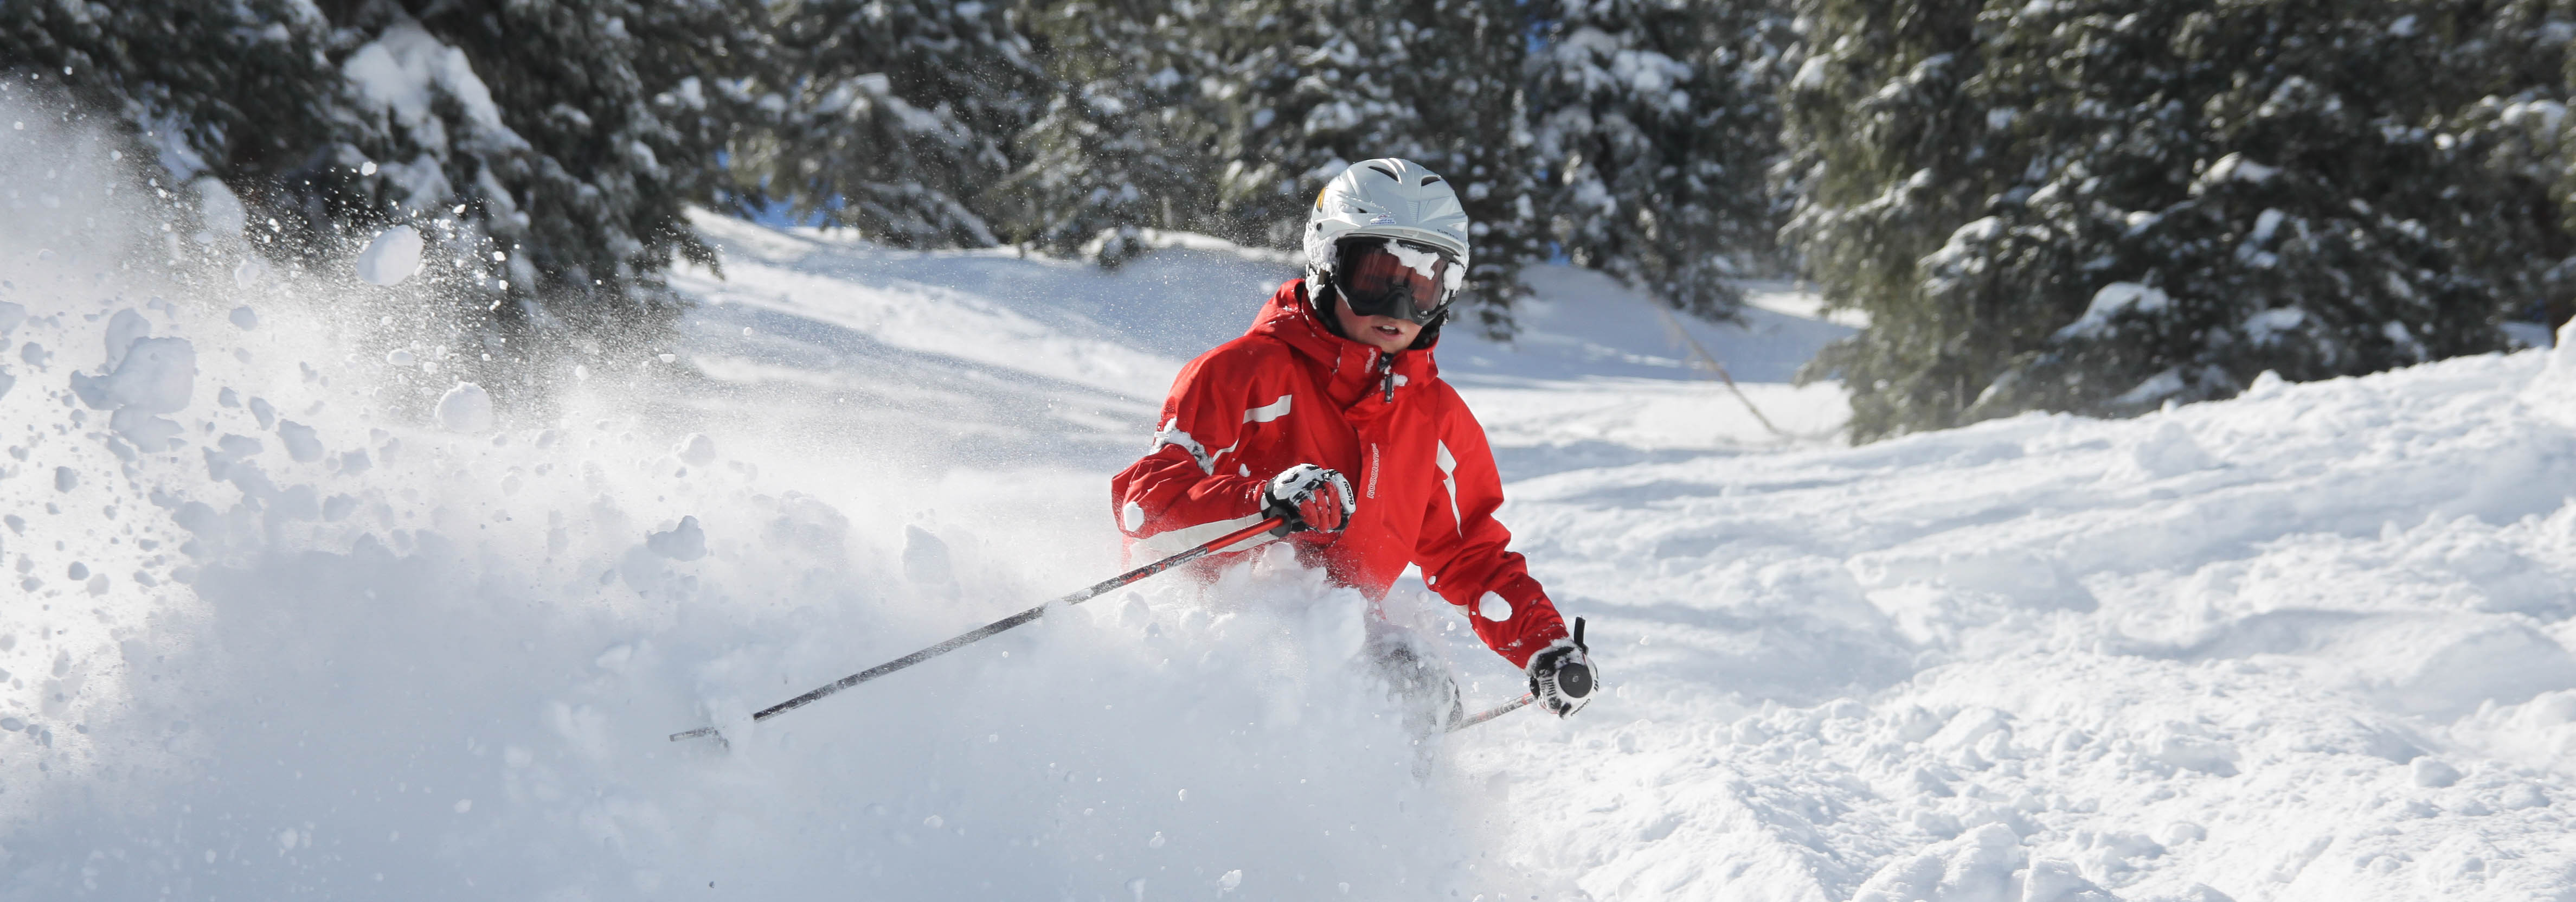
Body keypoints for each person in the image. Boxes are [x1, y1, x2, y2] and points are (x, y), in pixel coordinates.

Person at [1108, 158, 1597, 728]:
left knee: (1418, 684)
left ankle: (1381, 785)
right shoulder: (1242, 374)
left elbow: (1472, 554)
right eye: (1376, 278)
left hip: (1334, 639)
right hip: (1204, 632)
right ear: (1327, 264)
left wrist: (1542, 642)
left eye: (1422, 285)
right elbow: (1144, 506)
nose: (1397, 309)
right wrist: (1264, 502)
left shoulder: (1434, 418)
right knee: (1289, 665)